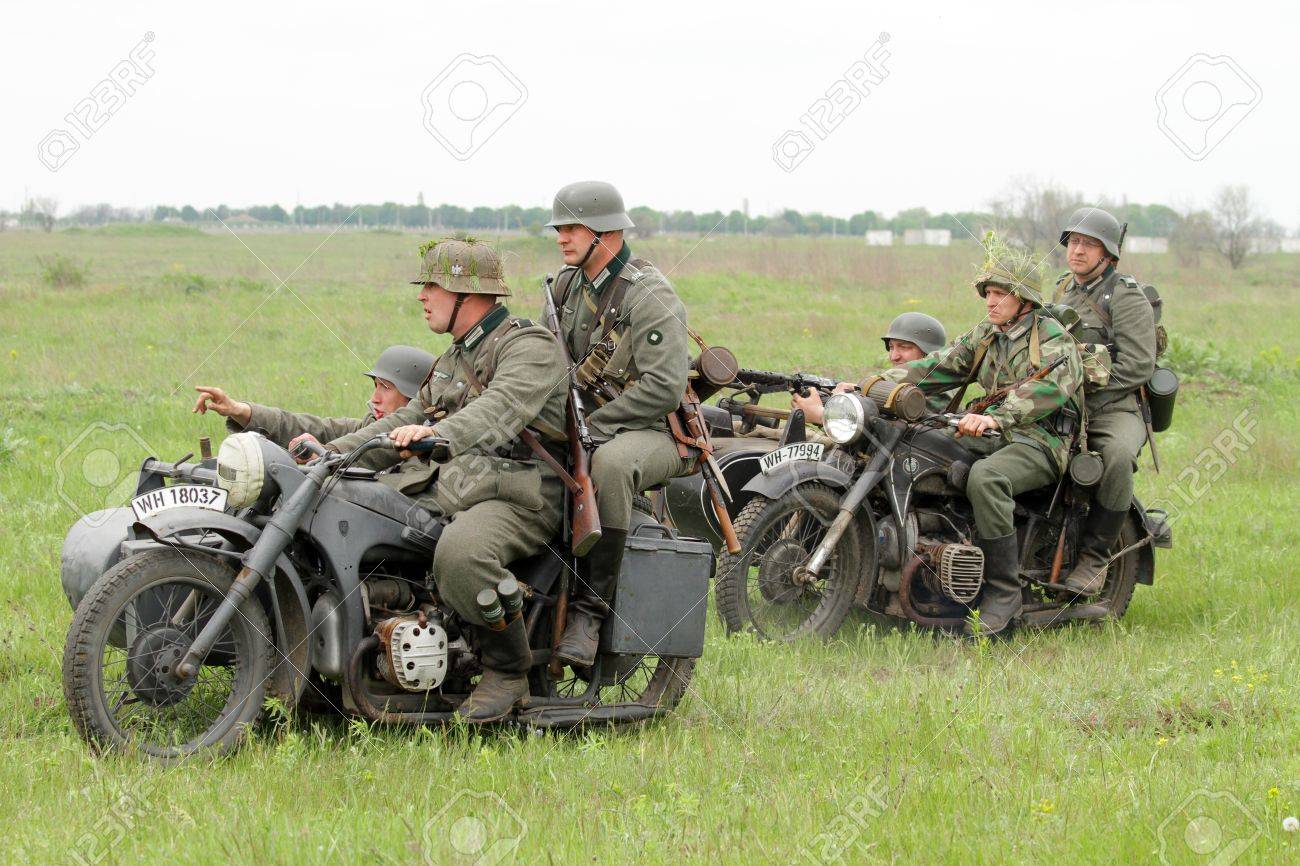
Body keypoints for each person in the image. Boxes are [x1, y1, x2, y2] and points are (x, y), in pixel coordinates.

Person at [308, 239, 569, 723]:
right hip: (461, 483)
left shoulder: (529, 347)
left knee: (462, 553)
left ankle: (508, 672)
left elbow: (500, 411)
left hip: (521, 493)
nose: (422, 296)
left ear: (466, 294)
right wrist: (330, 454)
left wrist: (437, 435)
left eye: (432, 285)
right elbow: (401, 419)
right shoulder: (454, 356)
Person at [870, 237, 1084, 635]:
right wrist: (874, 384)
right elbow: (937, 367)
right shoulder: (987, 334)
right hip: (993, 434)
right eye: (988, 293)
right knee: (919, 445)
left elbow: (1049, 391)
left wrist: (996, 419)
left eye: (1001, 293)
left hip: (1040, 440)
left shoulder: (1054, 340)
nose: (991, 301)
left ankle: (1004, 593)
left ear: (1024, 299)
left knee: (988, 478)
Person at [544, 181, 693, 667]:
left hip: (654, 431)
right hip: (586, 419)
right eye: (559, 229)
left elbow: (664, 389)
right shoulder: (565, 287)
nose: (562, 238)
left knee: (608, 467)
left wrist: (594, 426)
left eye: (571, 229)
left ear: (605, 233)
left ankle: (591, 609)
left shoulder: (647, 293)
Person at [1051, 207, 1156, 598]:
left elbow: (1139, 365)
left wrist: (1088, 398)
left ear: (1108, 254)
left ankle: (1095, 559)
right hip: (1061, 404)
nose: (1077, 250)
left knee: (1114, 458)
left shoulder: (1125, 295)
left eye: (1088, 244)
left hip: (1114, 408)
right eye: (1074, 242)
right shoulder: (1063, 290)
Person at [192, 346, 435, 449]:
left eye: (386, 388)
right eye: (375, 386)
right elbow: (311, 427)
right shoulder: (370, 427)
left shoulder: (424, 450)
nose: (375, 398)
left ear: (413, 398)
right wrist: (239, 409)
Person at [792, 311, 952, 424]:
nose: (893, 356)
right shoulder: (900, 387)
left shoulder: (937, 395)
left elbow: (886, 430)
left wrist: (823, 415)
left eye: (903, 347)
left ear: (929, 355)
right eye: (891, 347)